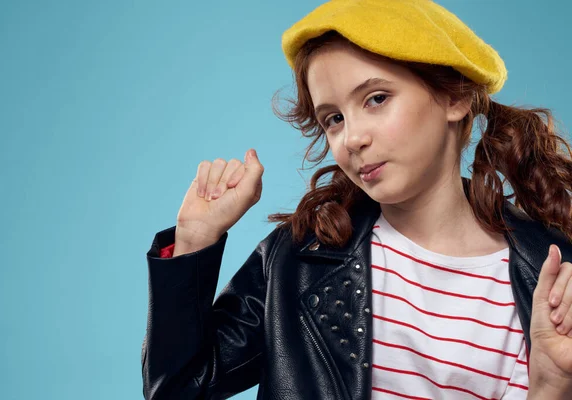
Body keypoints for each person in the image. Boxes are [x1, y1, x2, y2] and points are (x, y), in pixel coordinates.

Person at [141, 0, 572, 398]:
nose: (353, 138)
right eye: (333, 118)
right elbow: (179, 387)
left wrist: (552, 387)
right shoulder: (299, 259)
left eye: (377, 98)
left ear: (454, 96)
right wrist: (194, 239)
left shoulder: (550, 279)